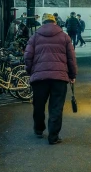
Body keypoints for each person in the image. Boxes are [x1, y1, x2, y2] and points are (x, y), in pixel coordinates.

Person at [24, 13, 77, 145]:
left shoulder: (35, 37)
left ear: (43, 22)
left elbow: (27, 57)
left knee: (38, 105)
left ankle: (38, 129)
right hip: (59, 78)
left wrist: (30, 71)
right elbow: (71, 58)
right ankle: (53, 137)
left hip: (39, 78)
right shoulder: (64, 37)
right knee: (56, 107)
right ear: (55, 22)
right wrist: (72, 75)